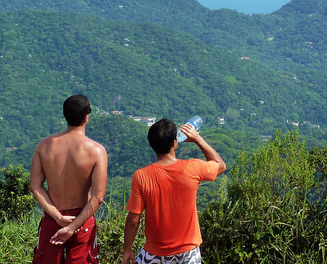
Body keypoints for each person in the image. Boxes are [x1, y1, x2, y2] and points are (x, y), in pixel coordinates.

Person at [123, 118, 226, 264]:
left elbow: (133, 220)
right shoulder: (192, 168)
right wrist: (198, 139)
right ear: (175, 143)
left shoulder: (141, 176)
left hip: (155, 253)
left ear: (152, 144)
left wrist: (127, 250)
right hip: (188, 253)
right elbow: (220, 165)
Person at [30, 94, 109, 263]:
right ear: (87, 117)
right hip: (82, 220)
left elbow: (35, 186)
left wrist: (57, 217)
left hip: (52, 218)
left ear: (64, 115)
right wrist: (73, 227)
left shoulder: (44, 146)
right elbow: (98, 197)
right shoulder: (96, 151)